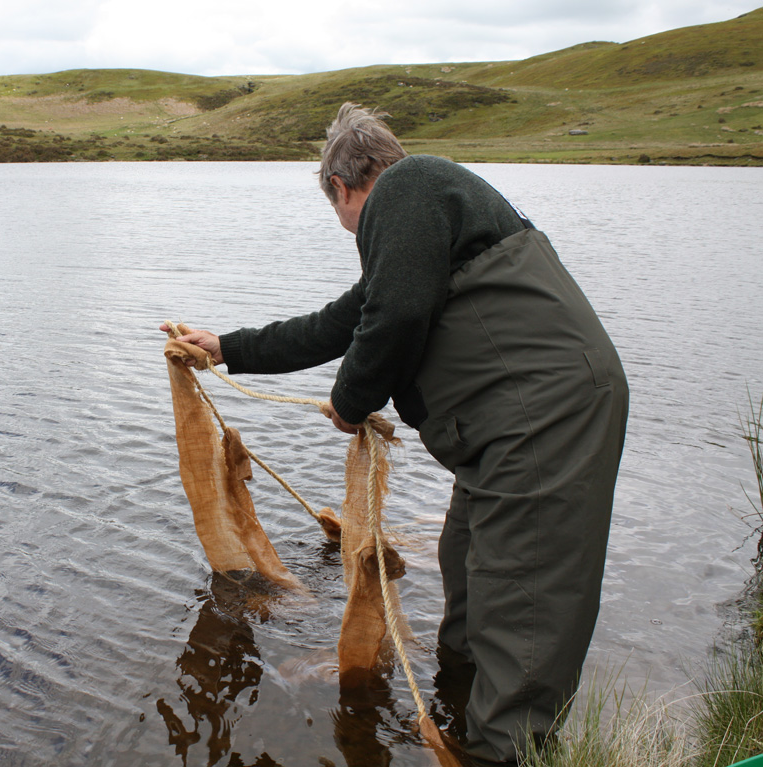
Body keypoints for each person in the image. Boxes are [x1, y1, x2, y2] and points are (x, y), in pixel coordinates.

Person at [162, 102, 628, 765]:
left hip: (546, 415)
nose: (348, 226)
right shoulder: (420, 221)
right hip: (512, 430)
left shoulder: (409, 187)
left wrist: (350, 401)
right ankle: (457, 720)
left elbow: (396, 316)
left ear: (345, 186)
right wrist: (227, 346)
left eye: (340, 211)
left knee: (522, 607)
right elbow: (342, 321)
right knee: (467, 572)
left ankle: (506, 751)